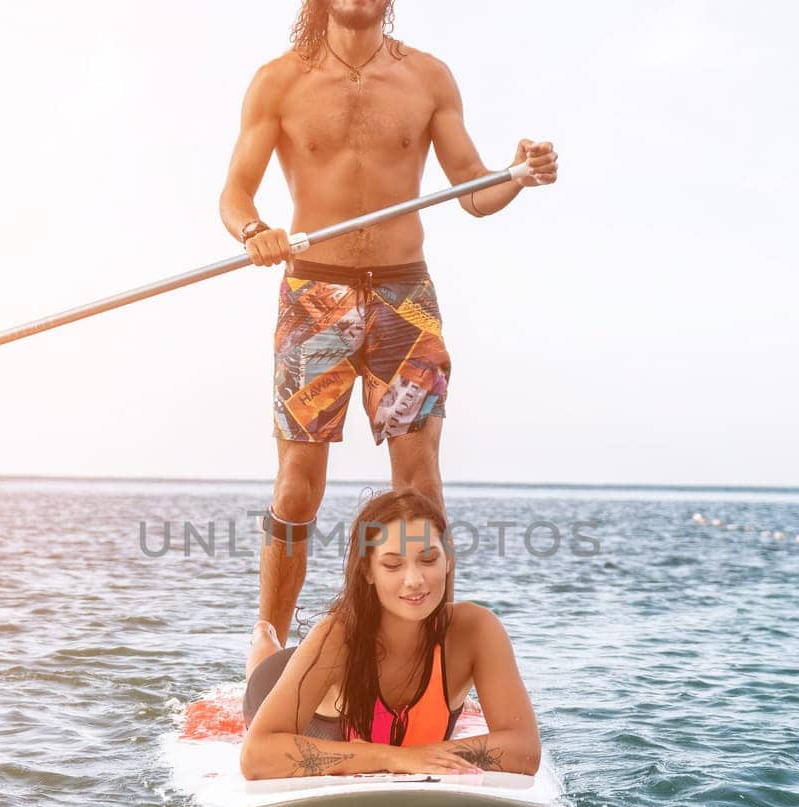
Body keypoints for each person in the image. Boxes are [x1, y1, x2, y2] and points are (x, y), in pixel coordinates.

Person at [219, 0, 560, 676]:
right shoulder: (278, 81)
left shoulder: (429, 78)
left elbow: (473, 189)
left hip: (404, 298)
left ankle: (427, 657)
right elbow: (235, 193)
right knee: (296, 489)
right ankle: (268, 648)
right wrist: (253, 232)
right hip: (314, 296)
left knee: (421, 490)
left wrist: (516, 176)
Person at [240, 489, 541, 780]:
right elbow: (256, 756)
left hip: (328, 680)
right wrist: (395, 757)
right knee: (266, 658)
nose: (414, 580)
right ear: (368, 571)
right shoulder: (336, 637)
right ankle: (263, 634)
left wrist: (421, 755)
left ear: (448, 560)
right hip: (280, 687)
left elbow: (525, 749)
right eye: (393, 564)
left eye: (428, 560)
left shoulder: (475, 630)